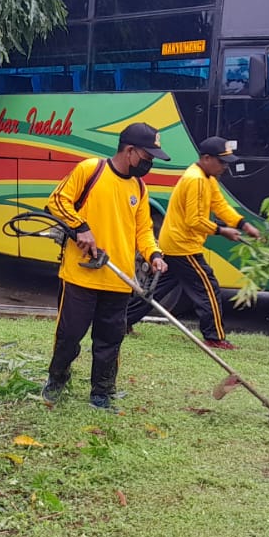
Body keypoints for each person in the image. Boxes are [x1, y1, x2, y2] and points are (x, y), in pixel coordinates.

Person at [41, 123, 169, 413]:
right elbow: (57, 201)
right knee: (69, 336)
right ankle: (57, 379)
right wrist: (81, 228)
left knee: (110, 341)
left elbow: (143, 230)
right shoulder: (91, 170)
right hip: (80, 275)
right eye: (147, 157)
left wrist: (154, 254)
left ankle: (102, 393)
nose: (149, 164)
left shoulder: (139, 186)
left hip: (118, 279)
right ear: (130, 150)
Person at [126, 137, 259, 350]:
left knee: (155, 290)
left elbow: (220, 206)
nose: (225, 167)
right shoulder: (195, 179)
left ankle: (122, 321)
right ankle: (214, 337)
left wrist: (243, 225)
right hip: (183, 246)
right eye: (222, 162)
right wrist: (221, 231)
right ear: (206, 158)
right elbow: (194, 220)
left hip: (175, 244)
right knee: (209, 288)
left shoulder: (208, 178)